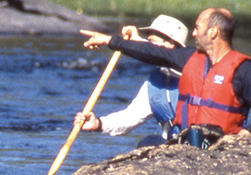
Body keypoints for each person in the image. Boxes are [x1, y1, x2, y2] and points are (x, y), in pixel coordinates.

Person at [80, 8, 251, 143]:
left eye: (198, 28)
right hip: (186, 145)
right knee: (149, 143)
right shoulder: (189, 59)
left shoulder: (245, 70)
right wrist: (110, 41)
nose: (194, 34)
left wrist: (246, 133)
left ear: (213, 32)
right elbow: (156, 54)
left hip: (222, 145)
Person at [74, 14, 189, 147]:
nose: (145, 49)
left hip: (200, 144)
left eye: (152, 43)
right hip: (174, 145)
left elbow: (169, 60)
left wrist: (137, 42)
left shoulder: (194, 70)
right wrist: (99, 124)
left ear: (169, 44)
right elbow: (131, 117)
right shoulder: (154, 83)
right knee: (148, 142)